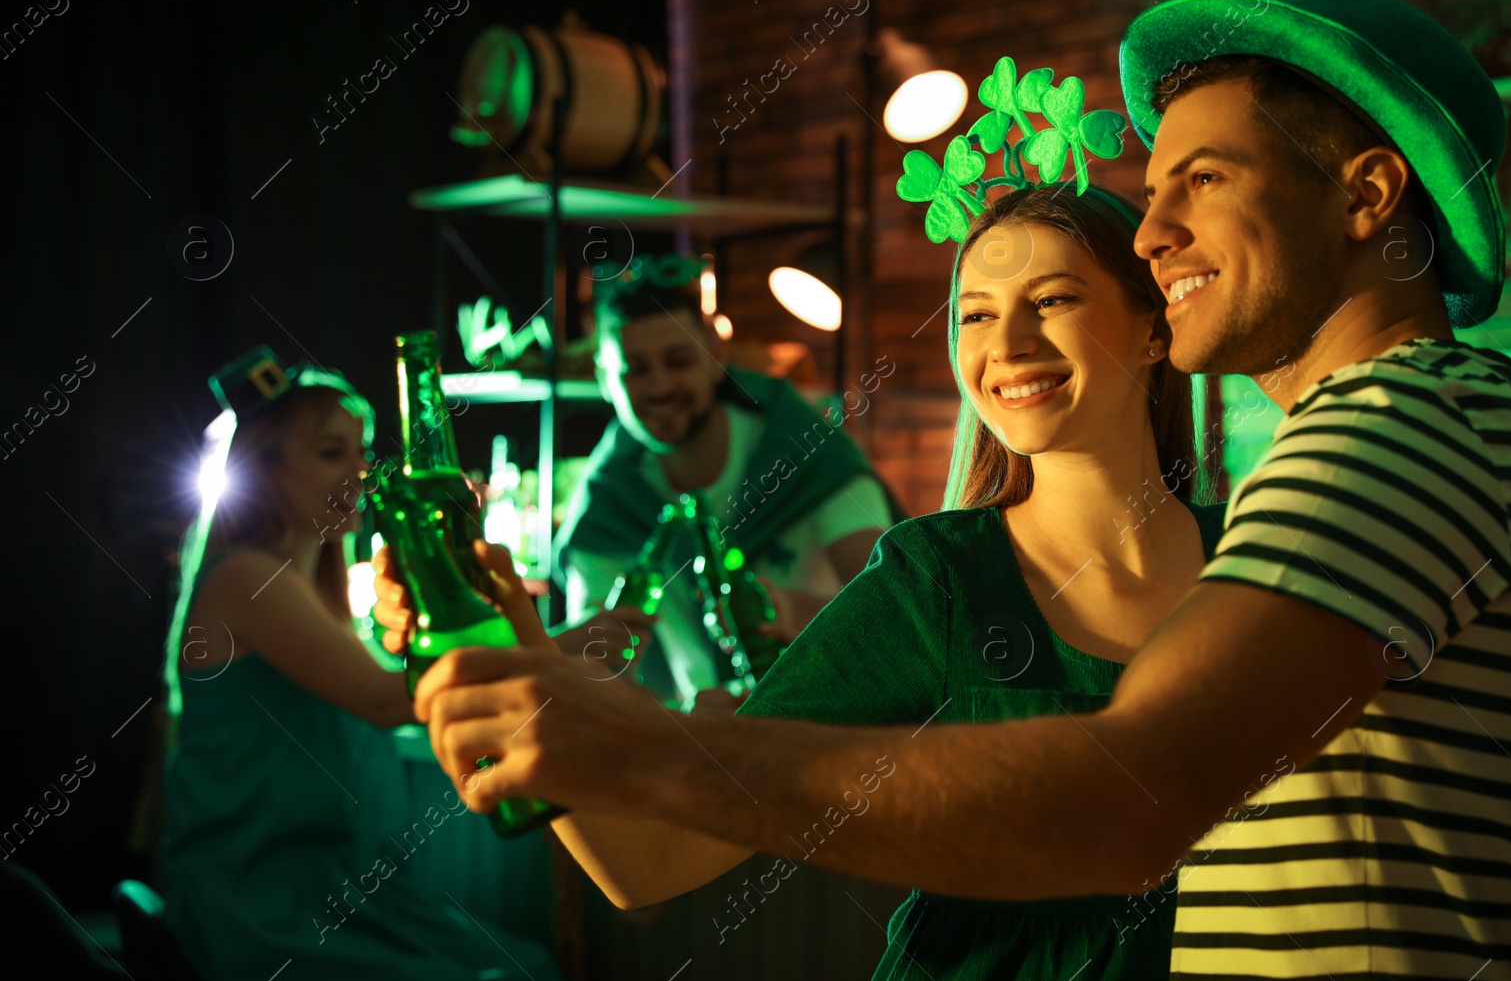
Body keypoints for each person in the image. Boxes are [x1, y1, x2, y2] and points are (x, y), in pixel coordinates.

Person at [399, 0, 1511, 978]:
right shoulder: (973, 568)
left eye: (1202, 180)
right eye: (973, 313)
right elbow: (648, 858)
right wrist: (533, 671)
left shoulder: (1395, 430)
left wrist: (650, 749)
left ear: (1366, 195)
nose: (1152, 229)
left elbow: (1131, 793)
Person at [380, 166, 1230, 976]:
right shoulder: (935, 581)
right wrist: (514, 662)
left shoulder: (1259, 556)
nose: (1006, 343)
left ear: (1154, 326)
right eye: (973, 315)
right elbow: (651, 860)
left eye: (1052, 299)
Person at [159, 347, 563, 981]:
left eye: (362, 449)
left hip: (341, 892)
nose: (362, 471)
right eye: (330, 453)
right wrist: (553, 644)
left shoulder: (314, 586)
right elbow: (385, 699)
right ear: (263, 470)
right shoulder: (247, 578)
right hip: (263, 903)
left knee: (528, 964)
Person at [552, 255, 903, 710]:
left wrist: (799, 614)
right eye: (635, 369)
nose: (659, 387)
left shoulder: (809, 456)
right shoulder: (608, 503)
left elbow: (895, 616)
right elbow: (599, 663)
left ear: (716, 356)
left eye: (678, 361)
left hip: (827, 735)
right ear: (603, 377)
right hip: (692, 744)